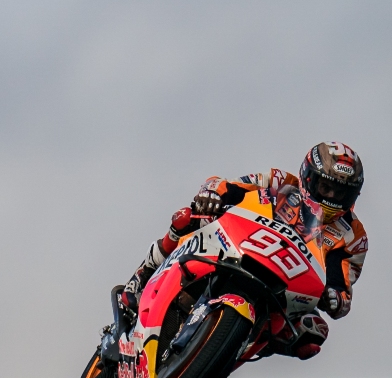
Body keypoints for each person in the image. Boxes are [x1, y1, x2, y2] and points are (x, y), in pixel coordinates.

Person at [119, 142, 369, 360]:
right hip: (241, 248)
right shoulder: (280, 182)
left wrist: (335, 298)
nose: (331, 197)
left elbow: (342, 287)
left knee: (313, 332)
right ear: (307, 177)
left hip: (286, 288)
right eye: (326, 188)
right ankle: (142, 276)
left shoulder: (352, 235)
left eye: (340, 193)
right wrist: (213, 195)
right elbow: (229, 186)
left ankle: (230, 350)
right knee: (188, 218)